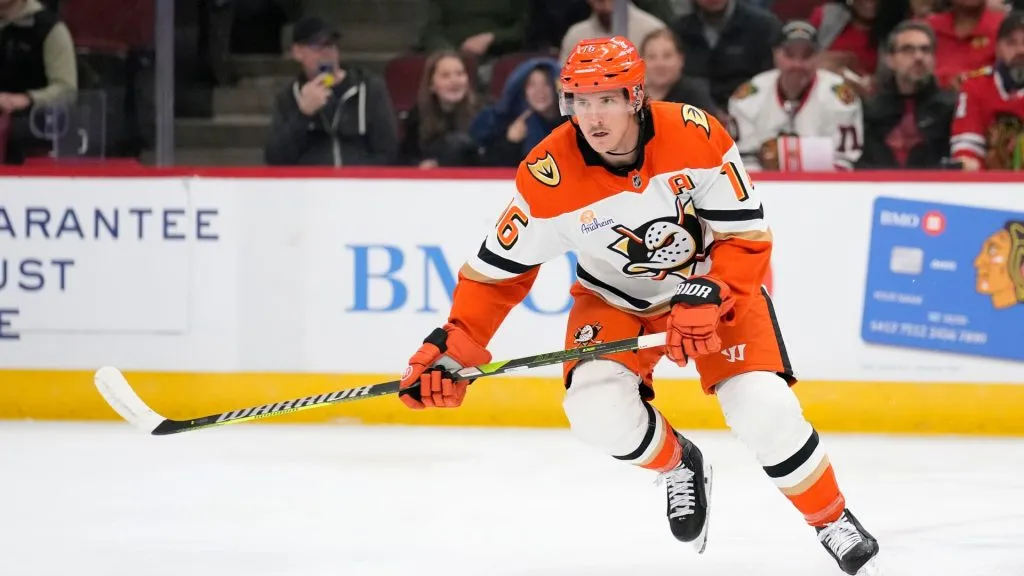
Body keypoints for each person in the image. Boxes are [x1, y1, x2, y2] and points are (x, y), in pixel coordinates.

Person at [394, 36, 881, 576]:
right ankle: (679, 464)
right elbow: (496, 276)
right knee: (595, 411)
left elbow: (746, 238)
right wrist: (454, 347)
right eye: (579, 100)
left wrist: (711, 294)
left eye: (606, 98)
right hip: (614, 299)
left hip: (713, 287)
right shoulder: (546, 175)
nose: (593, 116)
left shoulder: (695, 134)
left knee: (764, 409)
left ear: (636, 98)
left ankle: (831, 519)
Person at [728, 20, 864, 171]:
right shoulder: (749, 98)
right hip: (763, 189)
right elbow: (742, 160)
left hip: (821, 188)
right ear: (775, 54)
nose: (797, 64)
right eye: (789, 55)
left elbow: (844, 163)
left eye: (807, 55)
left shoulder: (839, 99)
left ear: (818, 57)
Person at [264, 16, 398, 167]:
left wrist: (355, 180)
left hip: (359, 185)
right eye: (318, 46)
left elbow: (388, 151)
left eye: (331, 45)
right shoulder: (288, 97)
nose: (327, 53)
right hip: (309, 186)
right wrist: (302, 115)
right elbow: (275, 159)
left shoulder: (369, 89)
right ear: (297, 52)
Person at [857, 21, 957, 169]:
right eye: (908, 50)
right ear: (890, 60)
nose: (918, 57)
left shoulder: (951, 108)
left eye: (925, 50)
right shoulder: (869, 111)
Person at [950, 10, 1024, 170]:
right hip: (988, 188)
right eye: (1011, 43)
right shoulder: (975, 85)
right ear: (997, 49)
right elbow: (967, 148)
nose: (1020, 51)